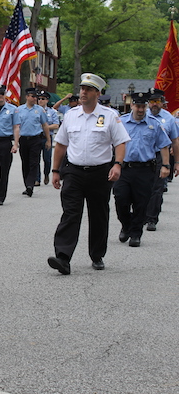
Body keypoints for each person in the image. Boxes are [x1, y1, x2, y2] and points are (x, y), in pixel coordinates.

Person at [47, 73, 130, 275]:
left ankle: (97, 254)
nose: (83, 92)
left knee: (99, 215)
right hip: (74, 172)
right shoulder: (71, 115)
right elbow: (61, 145)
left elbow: (120, 142)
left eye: (88, 89)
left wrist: (117, 165)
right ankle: (63, 257)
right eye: (82, 88)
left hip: (100, 173)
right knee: (70, 214)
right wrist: (55, 170)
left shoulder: (110, 116)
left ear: (97, 93)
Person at [114, 91, 171, 247]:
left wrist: (166, 166)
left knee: (141, 203)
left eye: (143, 106)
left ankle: (136, 233)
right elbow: (111, 142)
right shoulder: (121, 122)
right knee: (121, 200)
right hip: (124, 168)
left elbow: (164, 145)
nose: (140, 109)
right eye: (137, 106)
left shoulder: (154, 124)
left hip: (145, 169)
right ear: (132, 105)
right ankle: (126, 225)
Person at [143, 88, 179, 231]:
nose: (154, 104)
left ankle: (152, 218)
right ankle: (141, 214)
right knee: (141, 188)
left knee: (157, 189)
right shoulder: (140, 115)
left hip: (160, 157)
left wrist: (176, 162)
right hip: (143, 156)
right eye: (152, 101)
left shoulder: (169, 118)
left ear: (162, 103)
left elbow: (175, 141)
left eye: (157, 101)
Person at [17, 87, 51, 197]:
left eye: (36, 97)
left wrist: (48, 140)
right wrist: (15, 141)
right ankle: (27, 184)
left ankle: (30, 185)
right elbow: (16, 126)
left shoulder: (40, 110)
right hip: (23, 139)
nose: (35, 98)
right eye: (32, 96)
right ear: (27, 97)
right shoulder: (19, 110)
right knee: (25, 163)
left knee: (34, 162)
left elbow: (45, 125)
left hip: (36, 139)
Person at [35, 90, 59, 186]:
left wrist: (45, 127)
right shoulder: (34, 110)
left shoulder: (52, 112)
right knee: (36, 159)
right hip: (36, 137)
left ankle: (46, 174)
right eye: (39, 98)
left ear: (47, 100)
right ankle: (37, 179)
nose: (40, 100)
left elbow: (56, 125)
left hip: (47, 137)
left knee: (47, 159)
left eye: (43, 99)